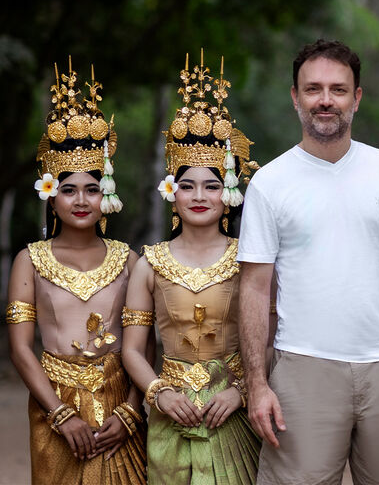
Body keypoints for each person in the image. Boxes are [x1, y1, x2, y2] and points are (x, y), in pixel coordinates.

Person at [237, 38, 379, 485]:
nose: (325, 100)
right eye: (313, 89)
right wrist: (257, 383)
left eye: (338, 89)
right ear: (295, 97)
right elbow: (253, 288)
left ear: (357, 98)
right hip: (304, 369)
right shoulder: (270, 183)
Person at [121, 52, 262, 484]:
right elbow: (132, 349)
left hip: (233, 410)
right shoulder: (149, 263)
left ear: (229, 193)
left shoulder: (250, 258)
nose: (199, 195)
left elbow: (272, 336)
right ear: (172, 192)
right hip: (172, 410)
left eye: (212, 185)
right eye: (187, 185)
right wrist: (158, 393)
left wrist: (242, 392)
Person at [6, 59, 146, 484]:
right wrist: (61, 414)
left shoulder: (130, 260)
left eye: (92, 189)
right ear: (51, 198)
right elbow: (21, 350)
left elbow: (144, 347)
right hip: (54, 409)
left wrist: (131, 412)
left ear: (106, 195)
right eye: (68, 190)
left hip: (119, 408)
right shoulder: (29, 260)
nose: (81, 200)